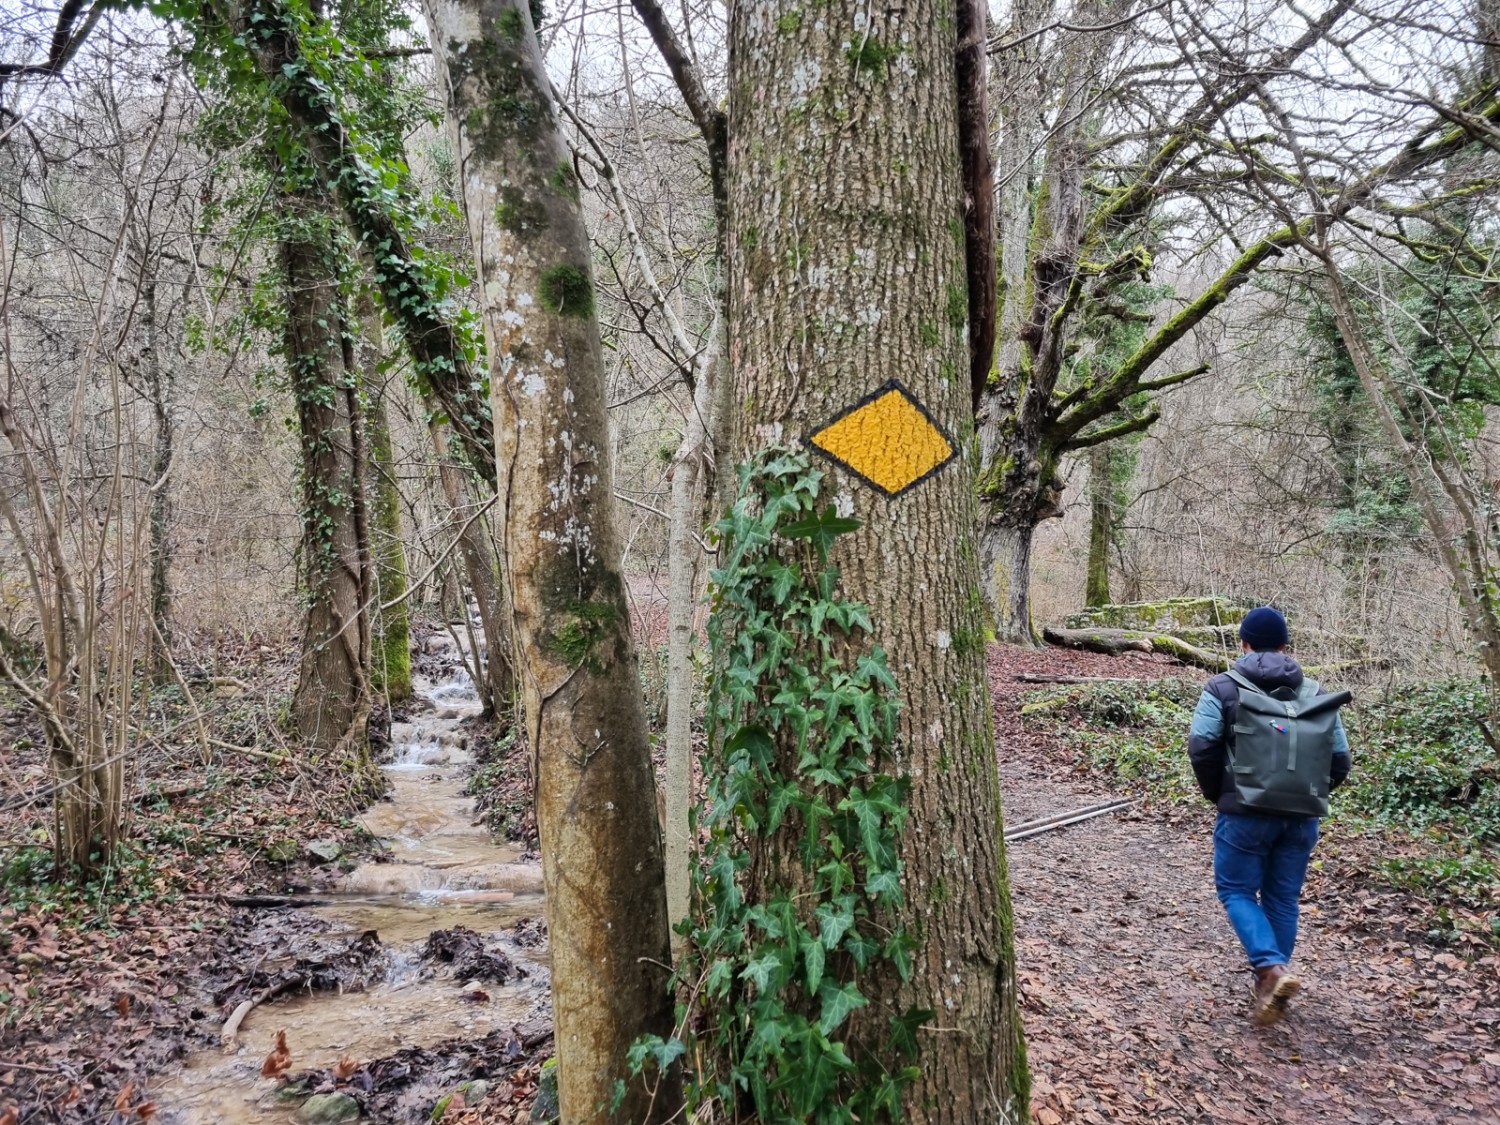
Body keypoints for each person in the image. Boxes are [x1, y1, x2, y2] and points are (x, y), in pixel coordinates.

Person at [1187, 606, 1351, 1026]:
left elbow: (1202, 746)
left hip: (1244, 811)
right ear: (1284, 646)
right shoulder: (1315, 690)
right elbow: (1340, 760)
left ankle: (1270, 970)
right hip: (1302, 816)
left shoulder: (1222, 687)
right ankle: (1272, 981)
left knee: (1237, 891)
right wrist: (1309, 793)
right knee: (1282, 898)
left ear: (1243, 644)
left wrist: (1219, 793)